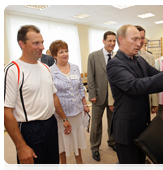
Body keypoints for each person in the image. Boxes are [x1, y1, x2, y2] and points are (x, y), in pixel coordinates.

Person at [107, 24, 163, 170]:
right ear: (121, 40)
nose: (139, 43)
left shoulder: (139, 60)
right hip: (126, 128)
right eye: (134, 39)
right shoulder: (114, 64)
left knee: (140, 163)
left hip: (142, 125)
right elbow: (135, 86)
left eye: (140, 39)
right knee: (130, 166)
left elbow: (158, 76)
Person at [4, 25, 71, 170]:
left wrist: (64, 118)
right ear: (22, 44)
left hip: (51, 124)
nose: (42, 47)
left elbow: (53, 97)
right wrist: (20, 146)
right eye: (36, 43)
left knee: (52, 165)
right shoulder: (13, 70)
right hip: (30, 130)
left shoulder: (45, 67)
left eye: (42, 42)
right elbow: (6, 111)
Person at [49, 40, 90, 170]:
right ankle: (63, 165)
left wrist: (85, 104)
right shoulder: (50, 71)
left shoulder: (75, 67)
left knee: (77, 137)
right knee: (62, 140)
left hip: (77, 110)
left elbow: (79, 88)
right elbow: (51, 94)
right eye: (61, 52)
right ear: (54, 55)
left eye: (66, 51)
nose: (65, 54)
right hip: (61, 114)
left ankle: (80, 162)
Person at [87, 31, 116, 161]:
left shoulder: (117, 57)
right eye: (109, 40)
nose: (112, 43)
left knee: (113, 122)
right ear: (103, 41)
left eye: (114, 41)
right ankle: (95, 147)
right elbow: (90, 77)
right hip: (98, 97)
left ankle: (112, 141)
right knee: (96, 124)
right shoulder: (93, 56)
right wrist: (92, 94)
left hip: (113, 98)